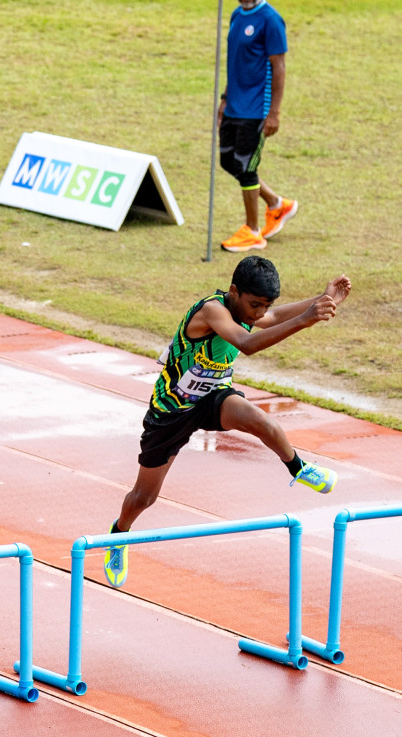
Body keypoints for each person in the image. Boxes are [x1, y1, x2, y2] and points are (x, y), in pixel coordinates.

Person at [103, 256, 347, 588]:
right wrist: (306, 319)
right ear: (234, 292)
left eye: (264, 305)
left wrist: (323, 300)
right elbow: (246, 344)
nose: (260, 314)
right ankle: (119, 534)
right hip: (171, 412)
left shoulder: (251, 311)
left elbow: (274, 317)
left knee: (262, 421)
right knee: (144, 498)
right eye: (254, 305)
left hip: (212, 398)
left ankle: (298, 468)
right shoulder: (212, 310)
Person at [218, 0, 297, 253]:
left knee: (246, 166)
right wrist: (225, 98)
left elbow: (279, 67)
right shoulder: (236, 15)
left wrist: (274, 113)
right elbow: (235, 63)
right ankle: (277, 204)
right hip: (234, 105)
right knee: (228, 161)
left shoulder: (270, 19)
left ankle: (252, 231)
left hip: (257, 110)